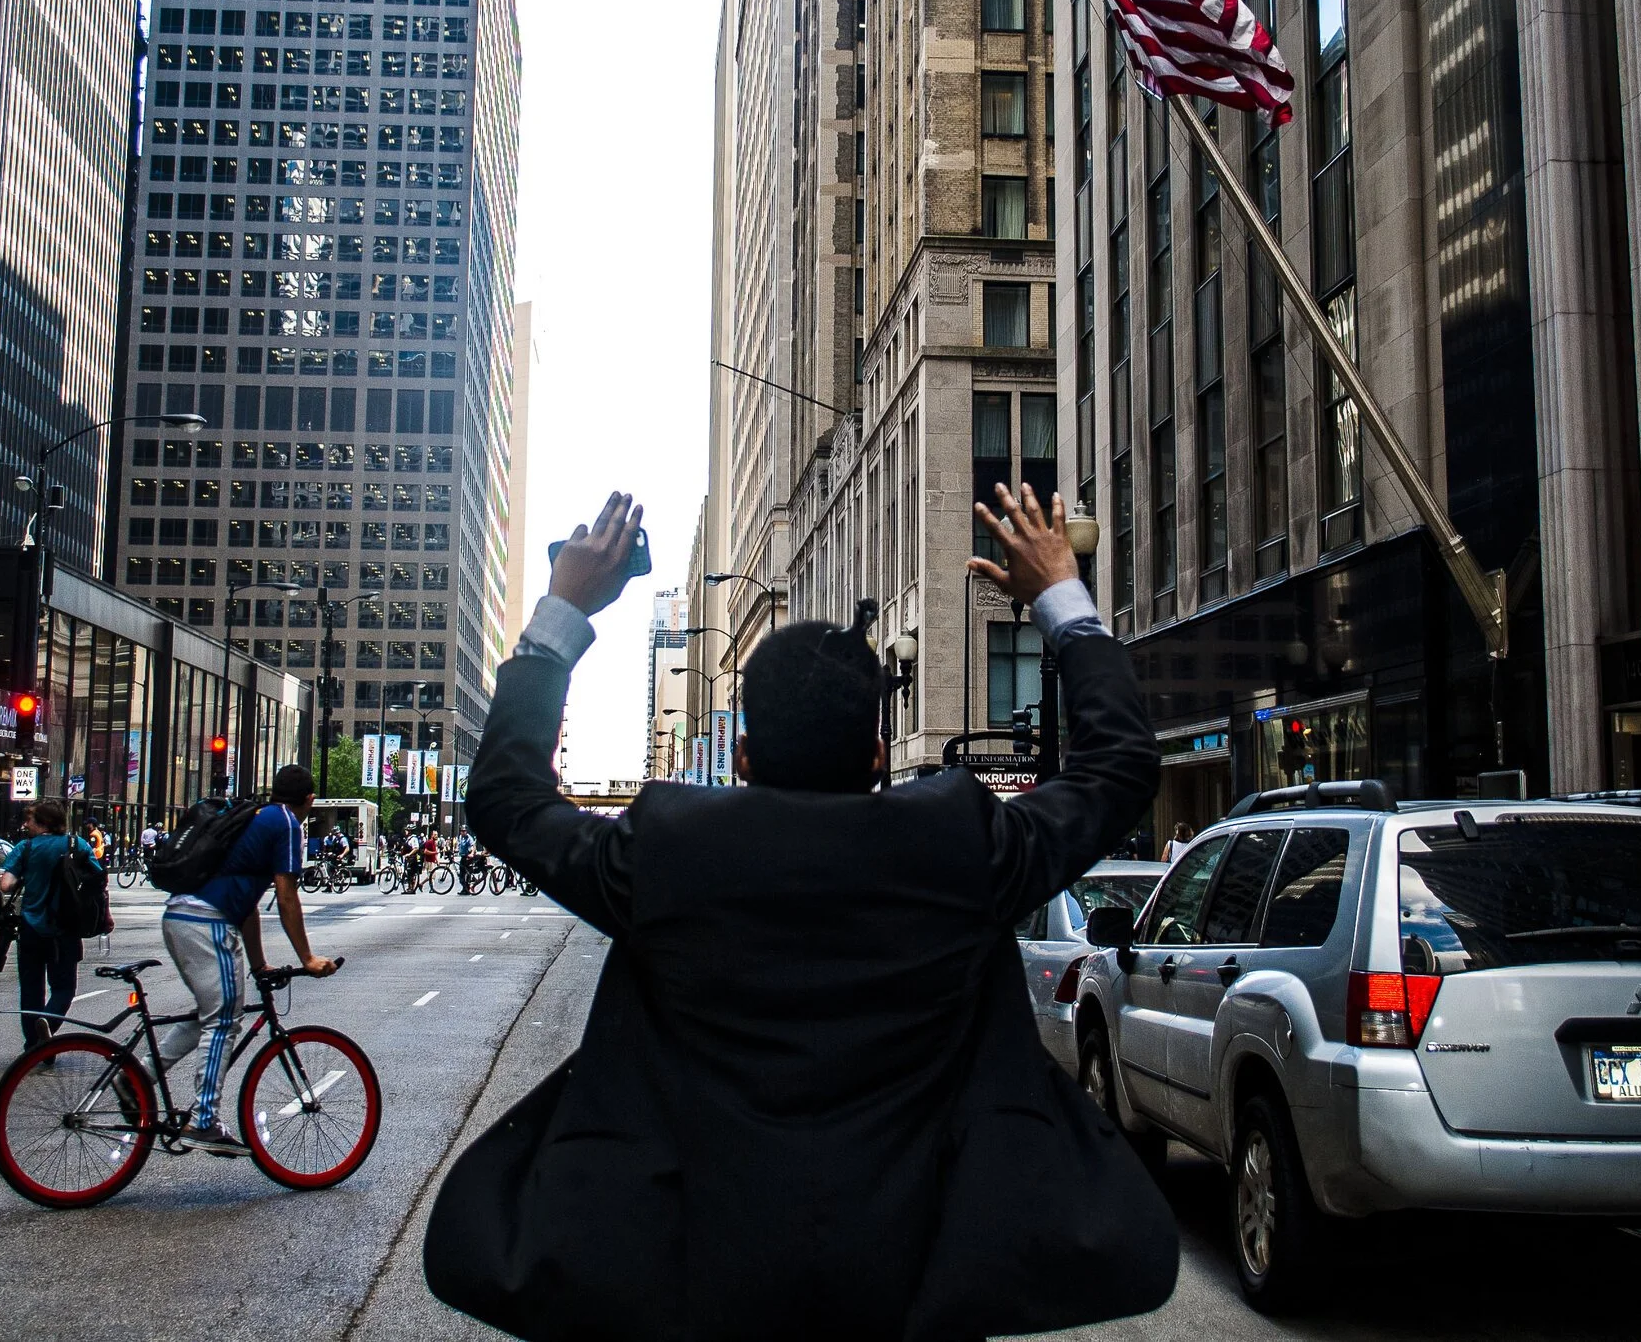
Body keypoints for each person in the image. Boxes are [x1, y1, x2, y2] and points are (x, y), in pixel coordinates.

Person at [425, 488, 1173, 1341]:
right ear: (880, 754)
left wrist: (563, 610)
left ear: (741, 755)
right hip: (919, 1291)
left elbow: (507, 800)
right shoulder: (959, 840)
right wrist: (1061, 600)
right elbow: (1117, 768)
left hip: (701, 1288)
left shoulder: (668, 849)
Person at [157, 763, 335, 1153]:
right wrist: (306, 957)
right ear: (309, 800)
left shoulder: (257, 816)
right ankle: (203, 1121)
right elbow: (286, 896)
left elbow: (250, 907)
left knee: (213, 1011)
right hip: (207, 922)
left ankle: (135, 1078)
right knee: (223, 1021)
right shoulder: (287, 823)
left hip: (182, 915)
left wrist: (259, 966)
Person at [0, 799, 94, 1049]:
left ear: (42, 822)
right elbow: (98, 878)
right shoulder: (77, 844)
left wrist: (25, 876)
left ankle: (34, 1045)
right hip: (66, 927)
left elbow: (5, 885)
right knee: (64, 988)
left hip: (31, 927)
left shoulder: (25, 848)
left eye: (29, 820)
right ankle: (47, 1028)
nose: (25, 824)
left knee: (31, 989)